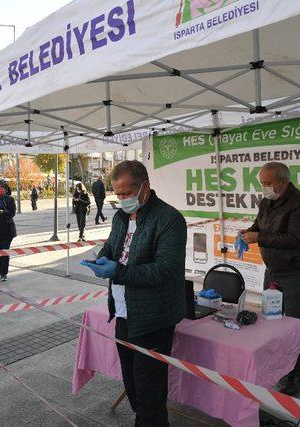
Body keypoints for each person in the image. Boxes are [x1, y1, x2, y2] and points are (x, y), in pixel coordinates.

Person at [82, 160, 187, 426]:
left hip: (154, 317)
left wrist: (118, 271)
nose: (122, 199)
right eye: (117, 194)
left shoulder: (169, 219)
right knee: (132, 385)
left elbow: (165, 269)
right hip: (123, 312)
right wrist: (100, 260)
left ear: (145, 186)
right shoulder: (120, 217)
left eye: (127, 193)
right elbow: (112, 246)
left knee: (150, 393)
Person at [240, 161, 300, 396]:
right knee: (270, 320)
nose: (264, 188)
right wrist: (248, 232)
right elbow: (259, 225)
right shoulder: (267, 201)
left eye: (268, 183)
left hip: (296, 272)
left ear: (283, 182)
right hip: (273, 270)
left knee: (294, 324)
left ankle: (295, 376)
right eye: (261, 183)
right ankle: (275, 367)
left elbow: (294, 239)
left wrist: (259, 237)